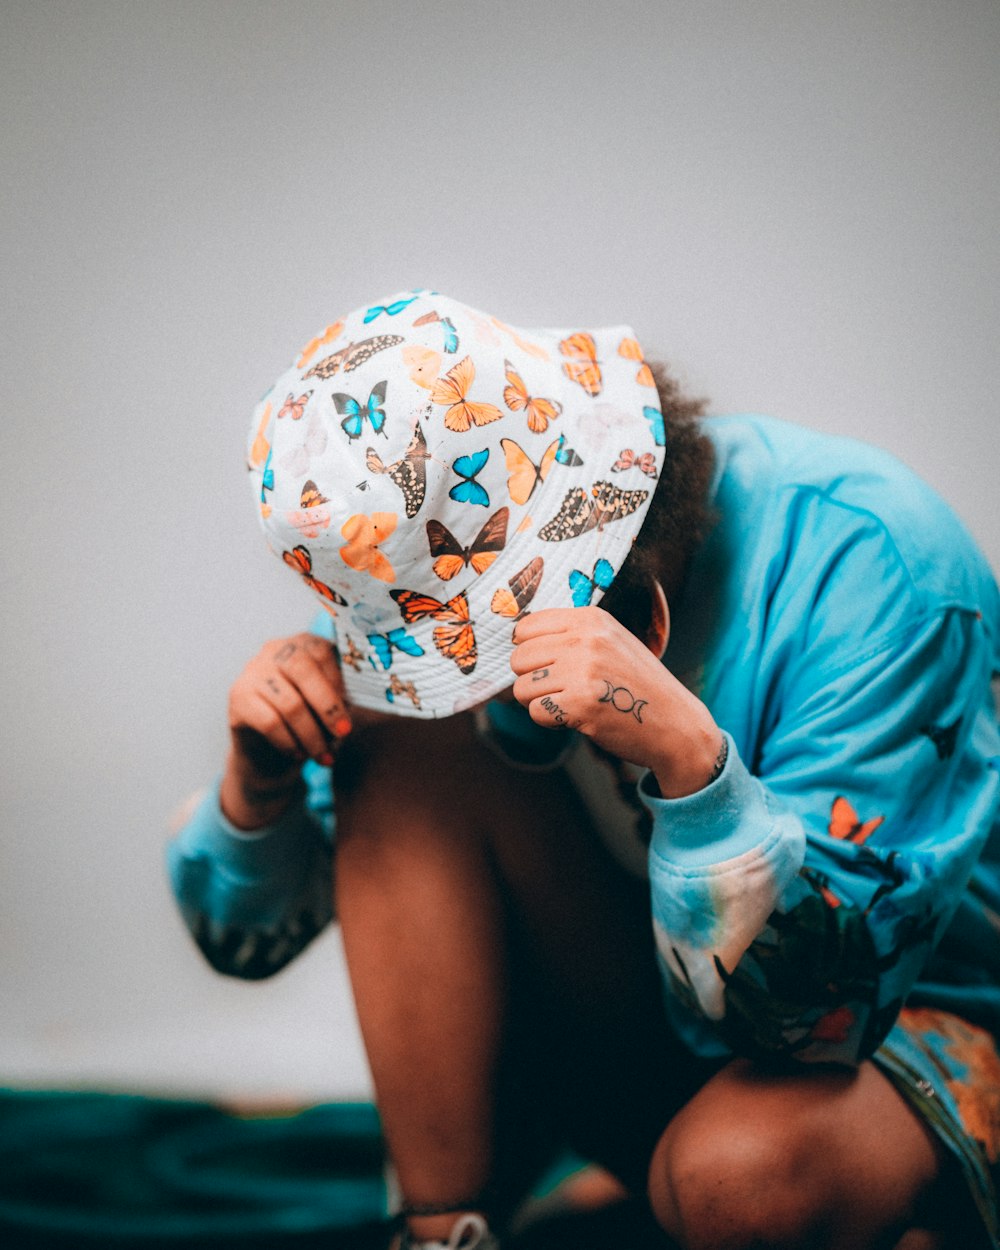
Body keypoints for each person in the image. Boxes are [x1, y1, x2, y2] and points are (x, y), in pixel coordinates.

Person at [167, 289, 1000, 1250]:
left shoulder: (881, 565)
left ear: (635, 602)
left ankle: (876, 1201)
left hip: (899, 1025)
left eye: (473, 652)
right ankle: (442, 1230)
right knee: (393, 747)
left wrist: (692, 767)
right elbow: (243, 947)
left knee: (735, 1184)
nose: (460, 679)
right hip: (663, 1011)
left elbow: (813, 1018)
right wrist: (257, 793)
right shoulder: (422, 560)